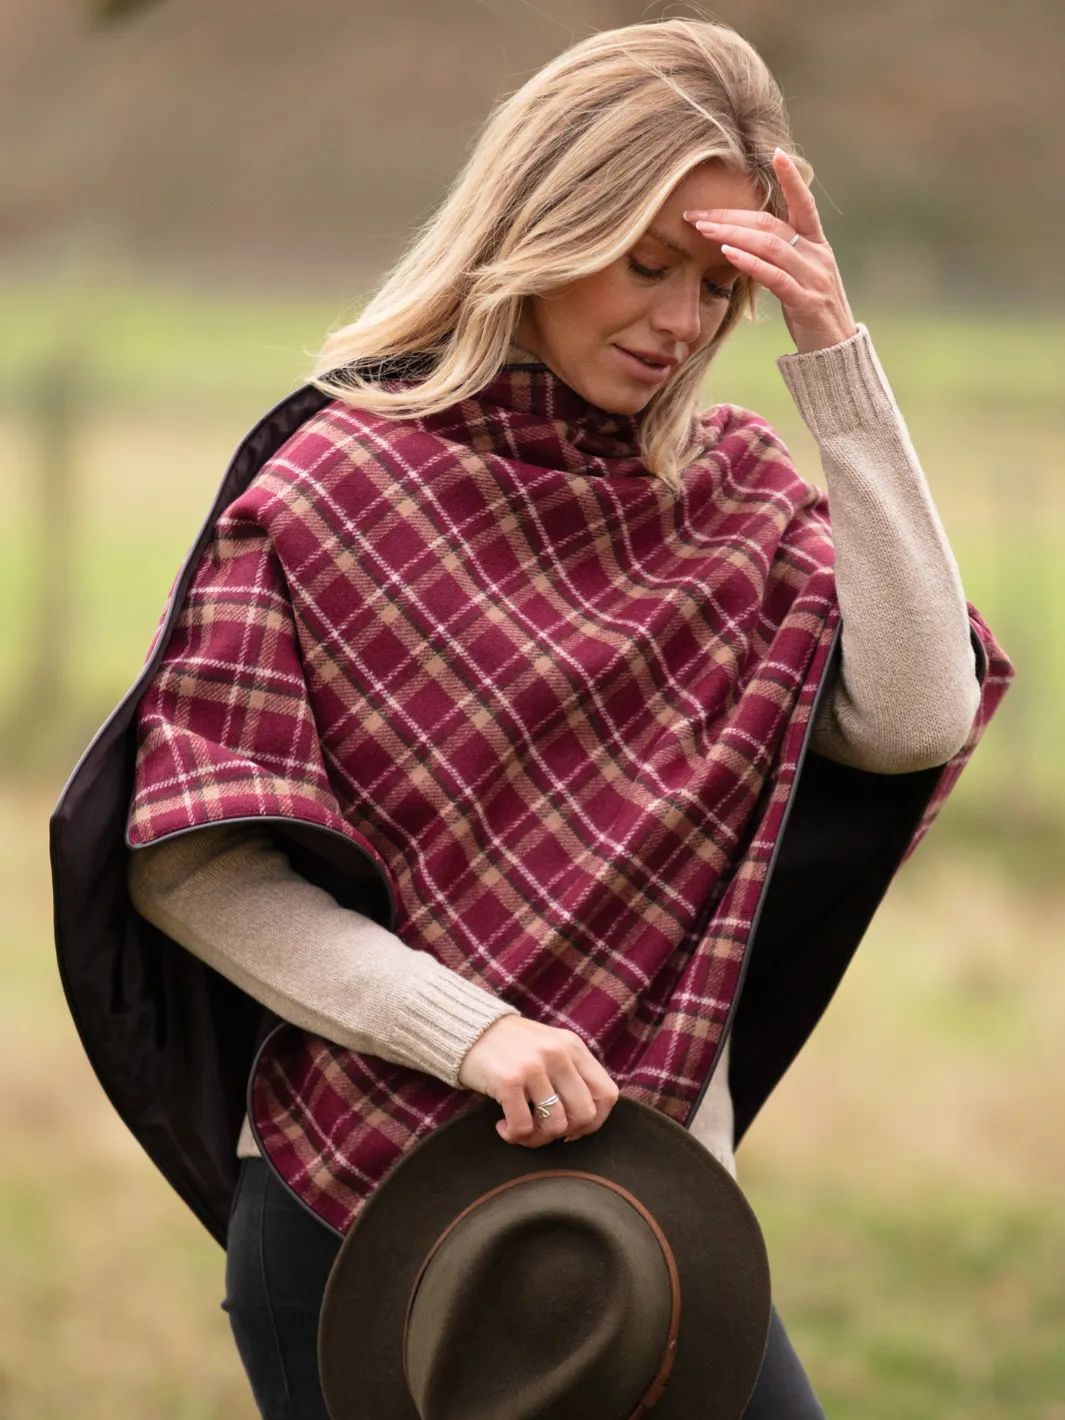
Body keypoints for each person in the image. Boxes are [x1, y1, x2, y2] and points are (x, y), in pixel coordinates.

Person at [109, 17, 1010, 1420]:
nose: (680, 320)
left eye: (722, 286)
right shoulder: (342, 486)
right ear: (542, 222)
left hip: (647, 1232)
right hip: (368, 1216)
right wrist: (470, 1032)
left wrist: (838, 356)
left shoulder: (728, 503)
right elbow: (194, 866)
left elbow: (913, 716)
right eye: (646, 263)